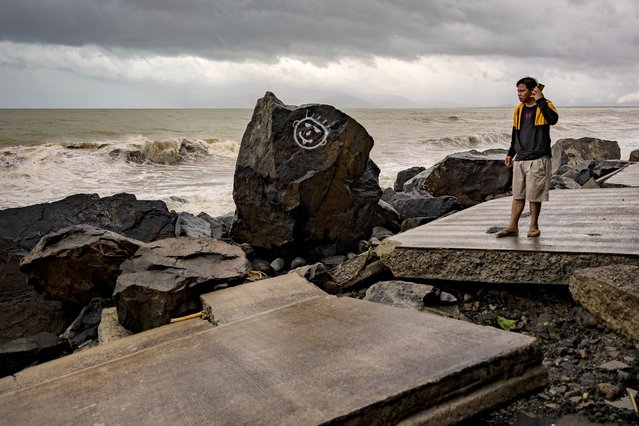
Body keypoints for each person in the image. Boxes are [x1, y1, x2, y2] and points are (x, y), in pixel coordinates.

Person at [496, 76, 558, 238]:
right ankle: (512, 226)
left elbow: (553, 120)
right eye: (517, 91)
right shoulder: (519, 109)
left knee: (534, 195)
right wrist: (511, 152)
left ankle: (533, 227)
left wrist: (541, 100)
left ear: (532, 91)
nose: (519, 94)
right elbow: (515, 132)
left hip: (538, 158)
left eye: (522, 90)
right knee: (517, 195)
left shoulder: (545, 105)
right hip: (521, 158)